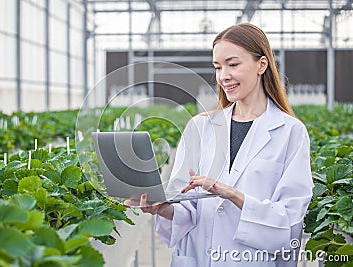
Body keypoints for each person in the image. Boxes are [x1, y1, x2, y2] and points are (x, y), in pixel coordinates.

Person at [126, 23, 314, 267]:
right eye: (218, 67)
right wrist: (163, 209)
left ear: (262, 65)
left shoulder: (290, 132)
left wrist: (232, 194)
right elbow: (187, 209)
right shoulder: (200, 128)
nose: (223, 76)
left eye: (233, 64)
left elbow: (289, 220)